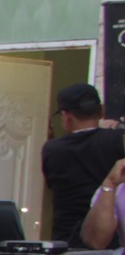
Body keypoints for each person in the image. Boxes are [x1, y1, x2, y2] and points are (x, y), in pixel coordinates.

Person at [40, 83, 116, 245]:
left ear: (66, 117)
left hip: (66, 240)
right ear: (101, 112)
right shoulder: (115, 141)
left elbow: (50, 186)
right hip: (108, 240)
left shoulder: (52, 149)